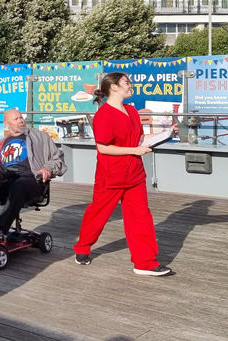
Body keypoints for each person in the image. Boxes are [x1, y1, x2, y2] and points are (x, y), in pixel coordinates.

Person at [73, 72, 174, 277]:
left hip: (135, 173)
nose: (130, 86)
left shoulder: (132, 110)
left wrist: (165, 134)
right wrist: (134, 150)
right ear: (114, 87)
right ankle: (83, 246)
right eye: (126, 83)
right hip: (111, 175)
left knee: (140, 217)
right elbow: (103, 148)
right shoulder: (103, 115)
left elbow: (140, 138)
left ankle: (145, 262)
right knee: (98, 213)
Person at [0, 108, 65, 241]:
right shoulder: (1, 143)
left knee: (19, 185)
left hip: (31, 179)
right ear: (7, 124)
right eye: (16, 119)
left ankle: (0, 231)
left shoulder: (40, 137)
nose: (20, 120)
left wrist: (47, 168)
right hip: (6, 178)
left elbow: (58, 159)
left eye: (21, 117)